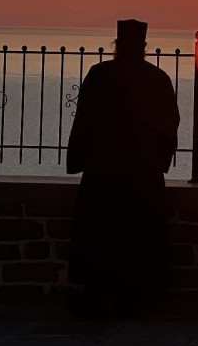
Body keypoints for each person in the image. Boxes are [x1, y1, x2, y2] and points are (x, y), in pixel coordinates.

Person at [66, 19, 180, 316]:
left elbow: (84, 118)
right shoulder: (157, 78)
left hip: (103, 168)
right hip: (143, 171)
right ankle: (136, 293)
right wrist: (159, 158)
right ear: (144, 47)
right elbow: (169, 123)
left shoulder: (100, 74)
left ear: (117, 46)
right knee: (138, 235)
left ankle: (99, 292)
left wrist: (80, 157)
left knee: (100, 234)